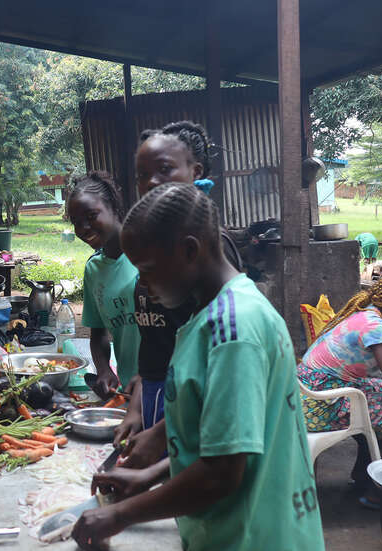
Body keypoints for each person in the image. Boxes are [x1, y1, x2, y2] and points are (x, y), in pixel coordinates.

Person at [74, 183, 324, 551]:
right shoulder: (207, 317)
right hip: (225, 531)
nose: (140, 283)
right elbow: (222, 442)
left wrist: (120, 515)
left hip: (257, 536)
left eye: (146, 269)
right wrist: (151, 474)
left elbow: (221, 474)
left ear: (189, 251)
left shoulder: (235, 330)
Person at [115, 121, 242, 468]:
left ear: (195, 171)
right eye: (142, 174)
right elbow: (154, 337)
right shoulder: (157, 244)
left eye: (165, 169)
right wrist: (138, 406)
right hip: (162, 394)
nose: (151, 182)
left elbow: (216, 377)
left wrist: (162, 433)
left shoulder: (207, 255)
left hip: (194, 403)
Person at [298, 269, 382, 505]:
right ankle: (381, 492)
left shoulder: (365, 315)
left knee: (380, 392)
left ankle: (364, 475)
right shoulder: (377, 328)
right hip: (320, 407)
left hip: (307, 395)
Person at [67, 171, 140, 397]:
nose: (83, 228)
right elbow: (98, 333)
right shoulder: (94, 269)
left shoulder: (148, 255)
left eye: (91, 216)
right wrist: (103, 369)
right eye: (76, 222)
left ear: (114, 208)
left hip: (166, 387)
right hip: (127, 391)